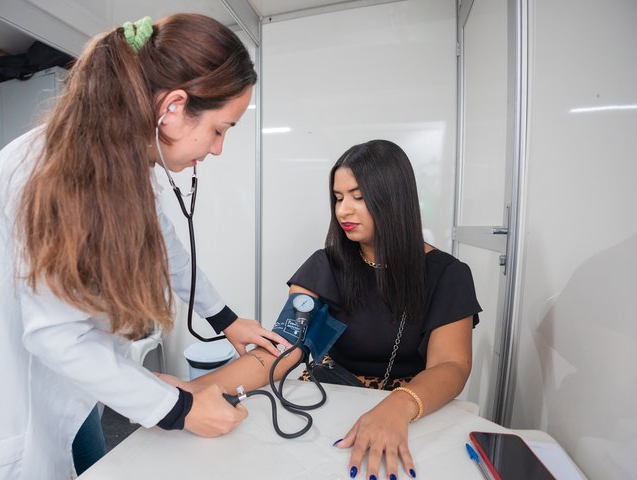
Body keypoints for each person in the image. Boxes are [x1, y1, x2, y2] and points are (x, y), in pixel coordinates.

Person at [0, 13, 290, 479]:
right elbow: (54, 335)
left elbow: (166, 245)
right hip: (6, 393)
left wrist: (226, 321)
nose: (217, 149)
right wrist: (178, 408)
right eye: (220, 129)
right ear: (173, 106)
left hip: (71, 382)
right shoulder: (52, 171)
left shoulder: (125, 157)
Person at [162, 140, 481, 480]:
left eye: (358, 197)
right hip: (332, 395)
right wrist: (195, 389)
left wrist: (398, 406)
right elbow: (281, 350)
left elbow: (451, 366)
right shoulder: (325, 266)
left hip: (413, 404)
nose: (343, 210)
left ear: (394, 199)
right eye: (338, 197)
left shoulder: (447, 274)